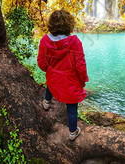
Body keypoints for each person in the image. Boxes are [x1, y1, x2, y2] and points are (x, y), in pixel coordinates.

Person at [37, 9, 88, 141]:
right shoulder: (75, 42)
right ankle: (72, 133)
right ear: (69, 24)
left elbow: (41, 63)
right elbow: (80, 66)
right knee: (72, 109)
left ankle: (46, 102)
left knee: (51, 82)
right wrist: (82, 80)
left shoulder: (44, 40)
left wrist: (50, 69)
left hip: (53, 79)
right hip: (70, 82)